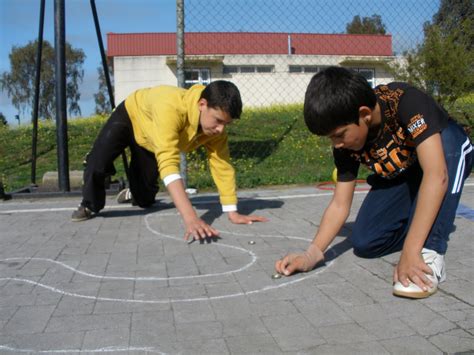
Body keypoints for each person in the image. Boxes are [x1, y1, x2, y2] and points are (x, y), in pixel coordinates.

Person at [275, 66, 472, 299]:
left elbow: (436, 174)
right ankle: (421, 226)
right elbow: (340, 204)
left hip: (442, 158)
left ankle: (429, 251)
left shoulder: (406, 102)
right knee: (366, 242)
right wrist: (312, 253)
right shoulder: (344, 145)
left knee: (448, 142)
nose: (336, 144)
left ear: (364, 114)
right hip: (407, 173)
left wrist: (411, 250)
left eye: (339, 135)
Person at [71, 80, 268, 240]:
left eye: (227, 124)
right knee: (98, 163)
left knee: (145, 200)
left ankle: (132, 192)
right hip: (131, 115)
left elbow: (222, 166)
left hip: (151, 142)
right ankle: (90, 204)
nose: (221, 130)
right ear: (202, 105)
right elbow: (168, 162)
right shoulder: (170, 107)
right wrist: (190, 217)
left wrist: (232, 211)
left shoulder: (216, 132)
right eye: (218, 120)